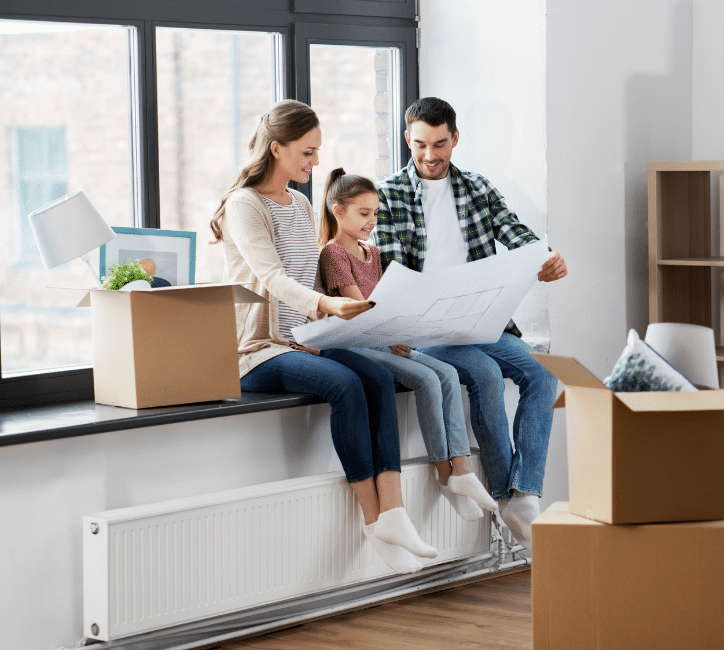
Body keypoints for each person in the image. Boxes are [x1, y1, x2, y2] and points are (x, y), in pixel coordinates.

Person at [209, 99, 436, 575]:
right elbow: (272, 278)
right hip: (258, 350)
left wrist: (328, 323)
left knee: (374, 377)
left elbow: (306, 279)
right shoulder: (244, 205)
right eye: (307, 153)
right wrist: (327, 306)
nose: (315, 164)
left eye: (316, 153)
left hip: (302, 337)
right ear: (277, 148)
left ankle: (394, 512)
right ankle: (373, 520)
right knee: (345, 385)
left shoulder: (299, 202)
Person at [374, 97, 568, 550]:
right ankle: (504, 493)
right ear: (408, 139)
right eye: (420, 144)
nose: (429, 155)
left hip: (482, 321)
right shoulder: (388, 195)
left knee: (543, 373)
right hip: (426, 329)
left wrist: (545, 257)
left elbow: (514, 231)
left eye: (440, 144)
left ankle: (524, 492)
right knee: (483, 373)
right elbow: (390, 272)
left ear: (455, 139)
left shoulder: (477, 188)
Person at [317, 168, 499, 521]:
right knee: (428, 379)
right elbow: (361, 313)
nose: (372, 221)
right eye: (364, 214)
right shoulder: (334, 254)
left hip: (385, 340)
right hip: (360, 347)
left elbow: (388, 304)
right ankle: (446, 476)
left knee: (446, 373)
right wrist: (390, 332)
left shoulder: (372, 253)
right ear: (338, 211)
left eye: (375, 214)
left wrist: (400, 331)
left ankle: (460, 468)